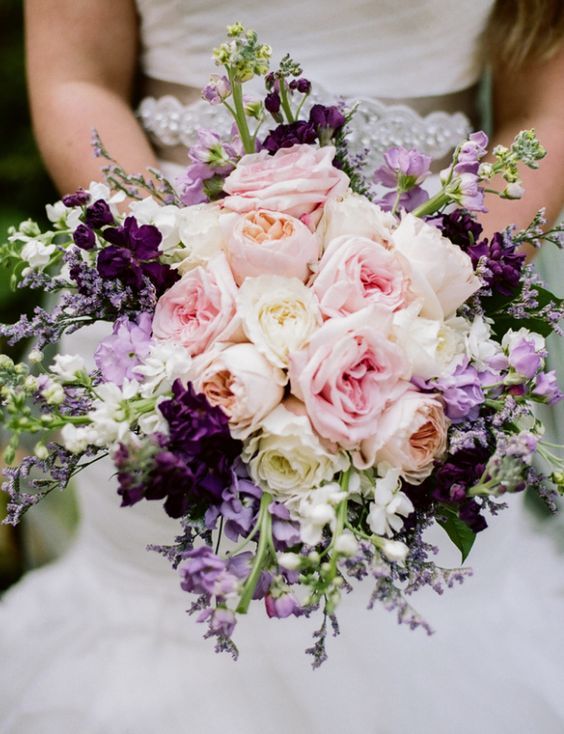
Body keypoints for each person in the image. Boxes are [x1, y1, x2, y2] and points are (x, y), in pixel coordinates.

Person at [1, 1, 563, 732]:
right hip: (177, 324)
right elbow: (77, 78)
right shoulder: (181, 301)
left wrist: (429, 300)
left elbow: (543, 109)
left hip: (439, 327)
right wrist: (190, 275)